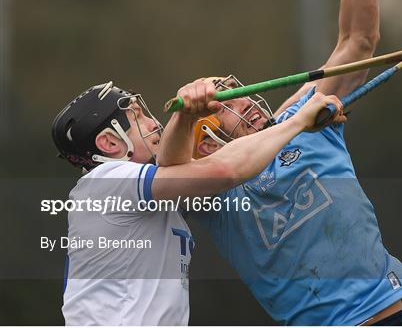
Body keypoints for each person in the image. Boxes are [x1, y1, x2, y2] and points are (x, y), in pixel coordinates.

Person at [181, 0, 402, 325]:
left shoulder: (301, 119)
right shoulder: (214, 189)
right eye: (224, 106)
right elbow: (169, 161)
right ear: (205, 140)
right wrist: (185, 113)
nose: (244, 103)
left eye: (238, 92)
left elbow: (358, 41)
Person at [52, 79, 344, 325]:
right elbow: (225, 170)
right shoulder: (110, 180)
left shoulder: (138, 194)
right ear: (110, 143)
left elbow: (201, 160)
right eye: (138, 116)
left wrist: (189, 117)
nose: (154, 123)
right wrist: (298, 121)